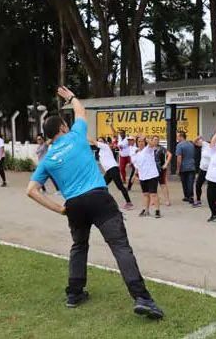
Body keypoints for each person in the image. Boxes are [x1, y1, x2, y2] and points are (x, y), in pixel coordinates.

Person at [26, 86, 163, 319]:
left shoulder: (48, 158)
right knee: (119, 246)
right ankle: (142, 298)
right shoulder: (76, 135)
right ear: (62, 127)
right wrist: (70, 97)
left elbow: (31, 190)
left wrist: (60, 208)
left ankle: (74, 294)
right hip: (99, 198)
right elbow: (81, 111)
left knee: (79, 246)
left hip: (74, 206)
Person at [88, 137, 134, 210]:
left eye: (101, 141)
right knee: (102, 185)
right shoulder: (100, 152)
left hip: (113, 169)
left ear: (105, 142)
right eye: (99, 141)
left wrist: (82, 136)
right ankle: (106, 202)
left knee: (120, 186)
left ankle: (129, 203)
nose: (100, 142)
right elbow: (104, 164)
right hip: (109, 170)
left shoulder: (105, 146)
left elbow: (93, 141)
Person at [131, 136, 161, 218]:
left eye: (142, 141)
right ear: (137, 143)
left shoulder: (148, 149)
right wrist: (135, 175)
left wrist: (146, 138)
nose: (141, 143)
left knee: (153, 194)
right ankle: (145, 210)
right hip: (142, 176)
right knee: (145, 194)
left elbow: (153, 144)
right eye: (139, 141)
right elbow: (137, 166)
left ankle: (157, 210)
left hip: (152, 175)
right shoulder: (136, 153)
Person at [193, 134, 213, 207]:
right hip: (203, 169)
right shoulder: (205, 144)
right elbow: (194, 142)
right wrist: (198, 137)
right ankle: (198, 200)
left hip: (212, 170)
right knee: (198, 185)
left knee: (212, 186)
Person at [176, 131, 196, 204]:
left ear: (181, 137)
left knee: (184, 182)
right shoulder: (191, 144)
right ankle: (191, 196)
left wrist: (178, 169)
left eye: (177, 136)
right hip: (192, 165)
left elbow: (179, 158)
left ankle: (187, 196)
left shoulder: (179, 145)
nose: (177, 138)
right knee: (190, 182)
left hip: (183, 167)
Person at [154, 136, 172, 206]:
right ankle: (155, 199)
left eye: (157, 140)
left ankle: (167, 200)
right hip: (152, 170)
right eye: (155, 140)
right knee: (153, 185)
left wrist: (166, 164)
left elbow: (170, 154)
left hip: (161, 169)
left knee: (163, 185)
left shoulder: (161, 148)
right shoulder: (149, 148)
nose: (156, 141)